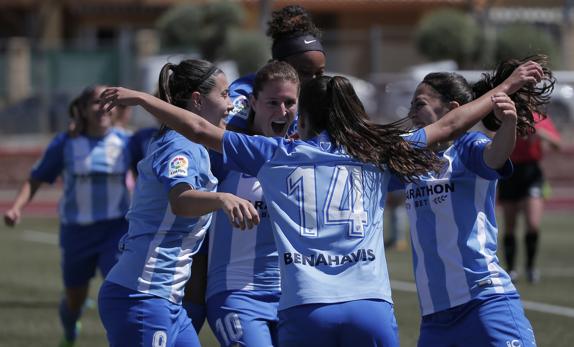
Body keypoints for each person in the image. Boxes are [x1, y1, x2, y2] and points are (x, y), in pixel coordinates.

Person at [99, 58, 541, 346]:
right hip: (371, 307)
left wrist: (142, 99)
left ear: (302, 116)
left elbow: (199, 129)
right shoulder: (378, 151)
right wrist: (508, 84)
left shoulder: (276, 154)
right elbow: (451, 126)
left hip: (306, 307)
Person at [97, 59, 259, 347]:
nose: (231, 105)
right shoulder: (179, 143)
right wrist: (223, 198)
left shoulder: (193, 143)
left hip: (166, 299)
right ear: (197, 100)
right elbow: (181, 201)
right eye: (223, 95)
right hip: (141, 295)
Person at [402, 56, 553, 346]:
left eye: (419, 104)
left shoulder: (469, 147)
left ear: (452, 110)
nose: (411, 113)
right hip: (435, 316)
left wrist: (508, 123)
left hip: (484, 301)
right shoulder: (410, 159)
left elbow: (495, 156)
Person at [3, 85, 133, 347]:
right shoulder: (66, 143)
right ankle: (70, 330)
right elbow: (37, 178)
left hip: (116, 230)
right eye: (96, 102)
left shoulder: (127, 142)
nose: (103, 108)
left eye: (109, 102)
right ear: (83, 109)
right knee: (75, 298)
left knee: (120, 290)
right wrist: (17, 207)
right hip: (77, 232)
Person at [204, 60, 298, 346]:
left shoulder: (303, 154)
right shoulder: (225, 151)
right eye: (272, 102)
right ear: (253, 102)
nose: (282, 111)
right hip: (236, 293)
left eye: (289, 102)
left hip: (294, 296)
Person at [226, 4, 325, 132]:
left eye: (319, 73)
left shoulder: (320, 98)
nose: (313, 80)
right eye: (304, 72)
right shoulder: (246, 90)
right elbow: (227, 136)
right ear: (277, 65)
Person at [499, 112, 562, 283]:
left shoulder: (539, 118)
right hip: (510, 172)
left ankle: (530, 267)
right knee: (510, 225)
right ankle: (511, 269)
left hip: (532, 174)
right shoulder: (506, 114)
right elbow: (493, 139)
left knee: (533, 224)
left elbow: (557, 144)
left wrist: (539, 133)